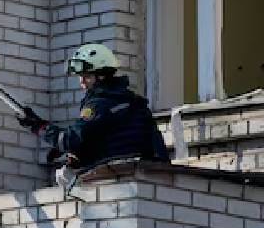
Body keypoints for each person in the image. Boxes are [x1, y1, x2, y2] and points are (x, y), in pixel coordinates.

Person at [17, 43, 170, 171]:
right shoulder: (135, 104)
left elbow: (70, 140)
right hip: (141, 178)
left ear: (102, 76)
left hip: (114, 179)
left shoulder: (99, 104)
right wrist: (79, 154)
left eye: (87, 76)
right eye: (80, 76)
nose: (82, 82)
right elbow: (106, 138)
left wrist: (38, 126)